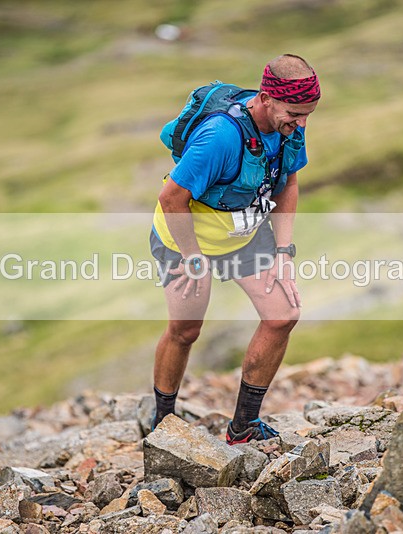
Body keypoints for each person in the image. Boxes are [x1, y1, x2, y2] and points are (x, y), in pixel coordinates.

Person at [149, 54, 321, 444]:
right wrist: (193, 257)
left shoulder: (289, 126)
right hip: (185, 238)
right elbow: (171, 198)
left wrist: (283, 252)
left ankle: (243, 426)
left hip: (243, 234)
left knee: (283, 315)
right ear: (266, 98)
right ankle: (162, 425)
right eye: (296, 112)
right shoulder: (220, 137)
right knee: (186, 330)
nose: (302, 123)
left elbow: (288, 185)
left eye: (309, 114)